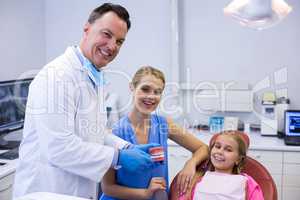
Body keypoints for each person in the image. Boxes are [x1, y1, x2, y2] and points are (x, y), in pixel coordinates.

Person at [13, 3, 158, 199]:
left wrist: (126, 147)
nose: (112, 46)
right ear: (87, 29)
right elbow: (59, 147)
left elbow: (93, 133)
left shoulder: (92, 77)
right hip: (47, 189)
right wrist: (117, 157)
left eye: (120, 41)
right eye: (106, 34)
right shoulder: (57, 76)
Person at [100, 66, 209, 200]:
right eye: (145, 89)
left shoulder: (164, 125)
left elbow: (203, 148)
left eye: (157, 92)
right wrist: (145, 193)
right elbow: (108, 187)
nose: (151, 96)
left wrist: (190, 164)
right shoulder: (115, 134)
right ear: (132, 88)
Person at [179, 131, 264, 200]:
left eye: (228, 150)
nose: (219, 152)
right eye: (217, 146)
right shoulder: (197, 179)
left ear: (238, 159)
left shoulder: (247, 182)